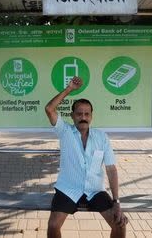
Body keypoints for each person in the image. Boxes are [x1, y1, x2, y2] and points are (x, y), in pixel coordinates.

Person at [45, 76, 128, 238]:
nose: (83, 117)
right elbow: (49, 109)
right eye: (79, 114)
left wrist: (117, 202)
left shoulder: (101, 137)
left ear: (91, 116)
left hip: (95, 190)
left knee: (120, 224)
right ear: (72, 115)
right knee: (53, 225)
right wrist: (69, 89)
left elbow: (111, 169)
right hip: (68, 188)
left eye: (86, 114)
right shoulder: (65, 131)